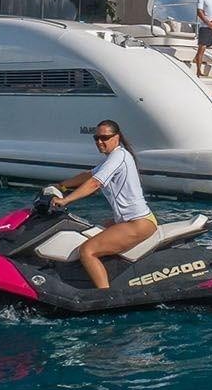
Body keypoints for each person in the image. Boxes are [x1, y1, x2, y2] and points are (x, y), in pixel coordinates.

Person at [51, 119, 157, 290]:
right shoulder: (112, 158)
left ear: (117, 137)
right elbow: (88, 175)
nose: (100, 142)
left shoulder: (119, 155)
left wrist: (66, 200)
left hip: (138, 223)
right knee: (88, 231)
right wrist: (61, 186)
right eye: (96, 138)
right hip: (125, 221)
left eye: (104, 137)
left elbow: (94, 183)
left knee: (87, 251)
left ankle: (105, 295)